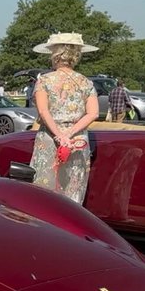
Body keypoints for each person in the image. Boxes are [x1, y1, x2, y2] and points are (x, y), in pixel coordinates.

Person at [28, 33, 99, 204]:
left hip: (50, 138)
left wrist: (60, 136)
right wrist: (70, 134)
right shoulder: (86, 83)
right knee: (73, 190)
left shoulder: (44, 81)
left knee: (45, 189)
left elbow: (44, 112)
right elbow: (93, 113)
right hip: (77, 140)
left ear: (54, 55)